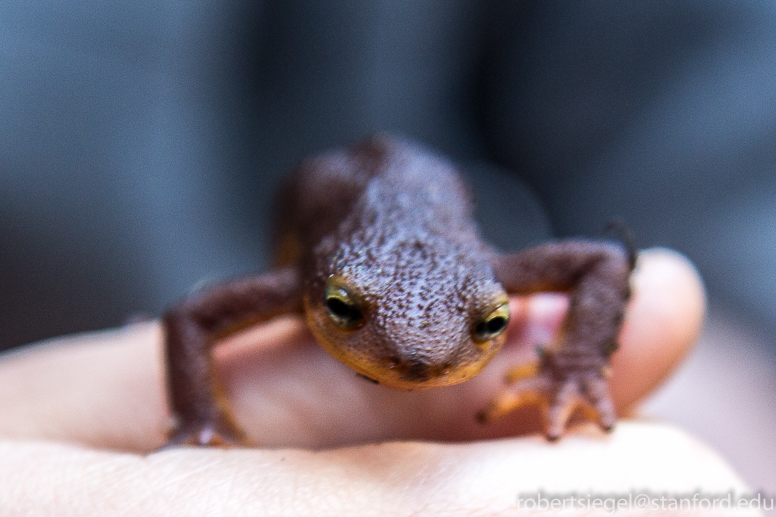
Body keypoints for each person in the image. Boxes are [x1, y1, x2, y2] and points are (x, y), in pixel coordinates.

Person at [0, 249, 756, 515]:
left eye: (488, 325)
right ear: (309, 288)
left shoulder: (487, 269)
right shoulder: (309, 268)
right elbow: (193, 313)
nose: (424, 364)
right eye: (343, 311)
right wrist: (200, 416)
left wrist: (579, 362)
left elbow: (600, 261)